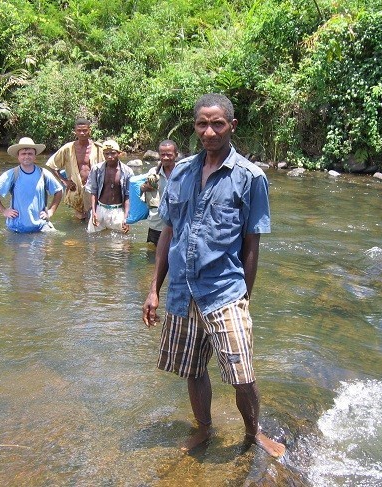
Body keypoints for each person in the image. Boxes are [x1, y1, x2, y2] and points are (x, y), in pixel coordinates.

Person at [141, 93, 286, 458]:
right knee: (192, 367)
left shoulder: (251, 178)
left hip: (224, 289)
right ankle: (204, 429)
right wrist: (153, 290)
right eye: (202, 124)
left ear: (231, 126)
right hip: (181, 289)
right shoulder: (181, 173)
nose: (209, 131)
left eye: (217, 123)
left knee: (242, 372)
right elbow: (167, 234)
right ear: (195, 127)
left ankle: (254, 434)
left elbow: (252, 243)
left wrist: (244, 297)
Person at [0, 137, 63, 233]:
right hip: (17, 228)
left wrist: (51, 211)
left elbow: (59, 190)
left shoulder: (43, 174)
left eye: (30, 154)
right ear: (18, 157)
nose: (26, 156)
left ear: (35, 156)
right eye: (23, 154)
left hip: (41, 226)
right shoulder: (12, 174)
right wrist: (4, 211)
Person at [45, 118, 105, 220]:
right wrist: (64, 181)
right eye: (79, 130)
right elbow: (51, 165)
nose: (82, 133)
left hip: (94, 188)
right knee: (79, 218)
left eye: (85, 130)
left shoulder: (99, 148)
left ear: (89, 130)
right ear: (75, 131)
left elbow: (109, 167)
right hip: (76, 188)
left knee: (96, 218)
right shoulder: (68, 148)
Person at [85, 139, 134, 233]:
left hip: (118, 210)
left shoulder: (127, 172)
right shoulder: (97, 169)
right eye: (106, 154)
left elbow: (128, 195)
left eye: (113, 153)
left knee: (121, 243)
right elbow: (93, 192)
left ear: (119, 153)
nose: (109, 156)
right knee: (93, 241)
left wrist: (126, 216)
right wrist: (94, 212)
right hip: (100, 208)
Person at [140, 139, 178, 246]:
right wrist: (144, 187)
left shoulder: (182, 173)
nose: (165, 157)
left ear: (176, 155)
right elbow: (141, 190)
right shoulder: (153, 173)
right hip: (156, 223)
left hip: (176, 224)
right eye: (162, 154)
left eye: (169, 155)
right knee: (152, 256)